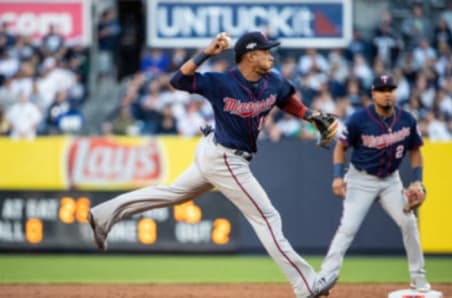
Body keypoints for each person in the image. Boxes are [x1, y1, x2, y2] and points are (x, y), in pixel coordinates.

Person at [88, 31, 338, 298]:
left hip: (217, 153)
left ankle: (102, 215)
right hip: (225, 158)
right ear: (251, 56)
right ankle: (306, 284)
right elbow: (179, 80)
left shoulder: (272, 80)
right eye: (265, 51)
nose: (271, 55)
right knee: (267, 217)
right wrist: (207, 52)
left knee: (173, 193)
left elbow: (286, 98)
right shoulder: (222, 82)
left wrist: (309, 114)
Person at [317, 74, 431, 292]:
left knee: (409, 223)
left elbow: (416, 151)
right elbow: (341, 147)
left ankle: (418, 278)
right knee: (348, 228)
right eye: (382, 89)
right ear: (373, 94)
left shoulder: (407, 119)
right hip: (361, 180)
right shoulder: (359, 119)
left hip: (390, 180)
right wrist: (338, 176)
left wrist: (417, 181)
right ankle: (324, 277)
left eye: (390, 89)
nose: (387, 93)